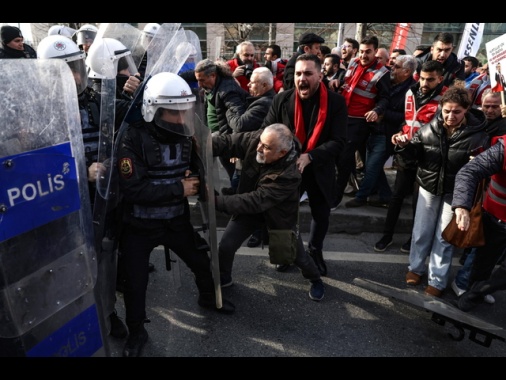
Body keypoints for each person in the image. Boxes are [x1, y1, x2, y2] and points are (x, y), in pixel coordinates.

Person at [116, 72, 235, 357]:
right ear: (153, 109)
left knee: (201, 261)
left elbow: (197, 168)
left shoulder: (187, 135)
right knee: (135, 283)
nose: (182, 117)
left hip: (175, 220)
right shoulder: (132, 138)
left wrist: (200, 179)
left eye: (185, 110)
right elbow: (133, 190)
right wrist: (178, 187)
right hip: (140, 224)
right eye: (173, 111)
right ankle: (136, 331)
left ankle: (209, 298)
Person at [36, 34, 133, 340]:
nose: (74, 76)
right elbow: (31, 167)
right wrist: (80, 172)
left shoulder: (95, 99)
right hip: (59, 203)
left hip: (100, 200)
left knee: (104, 259)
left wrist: (137, 92)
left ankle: (106, 312)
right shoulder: (35, 113)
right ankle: (67, 318)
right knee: (62, 264)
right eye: (63, 70)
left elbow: (135, 120)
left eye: (76, 66)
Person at [394, 86, 489, 298]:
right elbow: (413, 156)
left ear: (466, 110)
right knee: (421, 231)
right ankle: (415, 268)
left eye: (457, 112)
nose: (451, 116)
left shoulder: (478, 137)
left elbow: (481, 168)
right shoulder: (429, 129)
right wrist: (403, 145)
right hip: (428, 187)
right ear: (441, 108)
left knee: (444, 237)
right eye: (447, 111)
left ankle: (437, 279)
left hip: (456, 194)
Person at [212, 123, 326, 301]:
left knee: (296, 256)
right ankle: (224, 279)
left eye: (266, 147)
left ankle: (315, 279)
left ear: (282, 153)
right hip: (250, 212)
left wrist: (217, 202)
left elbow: (256, 200)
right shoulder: (258, 138)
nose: (259, 148)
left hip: (278, 217)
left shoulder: (290, 175)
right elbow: (227, 142)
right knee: (226, 246)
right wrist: (200, 146)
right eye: (260, 142)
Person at [262, 53, 348, 276]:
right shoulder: (282, 100)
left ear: (320, 75)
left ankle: (315, 251)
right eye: (298, 73)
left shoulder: (336, 102)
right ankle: (286, 253)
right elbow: (267, 130)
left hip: (320, 168)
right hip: (288, 168)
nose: (302, 78)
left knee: (321, 214)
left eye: (308, 73)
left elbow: (339, 141)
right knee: (284, 214)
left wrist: (311, 156)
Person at [375, 60, 448, 253]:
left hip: (429, 157)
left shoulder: (445, 97)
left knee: (419, 201)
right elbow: (407, 122)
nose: (425, 83)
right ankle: (387, 235)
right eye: (422, 78)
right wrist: (399, 134)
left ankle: (413, 238)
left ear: (440, 79)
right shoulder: (411, 92)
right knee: (397, 196)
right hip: (407, 152)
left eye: (430, 80)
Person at [451, 89, 506, 300]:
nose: (490, 110)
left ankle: (479, 288)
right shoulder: (475, 122)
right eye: (487, 106)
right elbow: (469, 171)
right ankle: (465, 284)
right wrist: (462, 206)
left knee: (490, 258)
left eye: (495, 106)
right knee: (480, 250)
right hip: (491, 208)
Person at [351, 54, 419, 210]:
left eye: (396, 67)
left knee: (373, 165)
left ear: (407, 72)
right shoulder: (388, 82)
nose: (391, 69)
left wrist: (383, 114)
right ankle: (385, 196)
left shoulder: (412, 90)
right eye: (392, 65)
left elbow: (407, 116)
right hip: (373, 130)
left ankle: (361, 197)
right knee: (371, 166)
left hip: (389, 133)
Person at [221, 66, 277, 247]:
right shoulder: (259, 99)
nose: (249, 85)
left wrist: (229, 109)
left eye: (252, 82)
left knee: (249, 197)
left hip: (255, 161)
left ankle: (257, 232)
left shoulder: (264, 103)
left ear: (265, 85)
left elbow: (239, 125)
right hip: (247, 157)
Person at [333, 35, 391, 209]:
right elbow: (348, 84)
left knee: (345, 158)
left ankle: (334, 199)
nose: (364, 55)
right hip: (344, 116)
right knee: (363, 162)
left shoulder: (382, 73)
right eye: (362, 51)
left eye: (368, 52)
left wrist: (376, 110)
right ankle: (384, 194)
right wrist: (339, 83)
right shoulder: (354, 62)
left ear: (375, 51)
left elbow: (385, 98)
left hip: (360, 121)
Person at [192, 58, 248, 191]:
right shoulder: (210, 87)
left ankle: (236, 197)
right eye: (198, 80)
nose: (199, 84)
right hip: (217, 133)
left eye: (202, 80)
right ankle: (209, 192)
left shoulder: (228, 90)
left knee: (234, 172)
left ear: (213, 75)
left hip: (226, 137)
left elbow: (239, 118)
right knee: (204, 160)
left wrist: (235, 145)